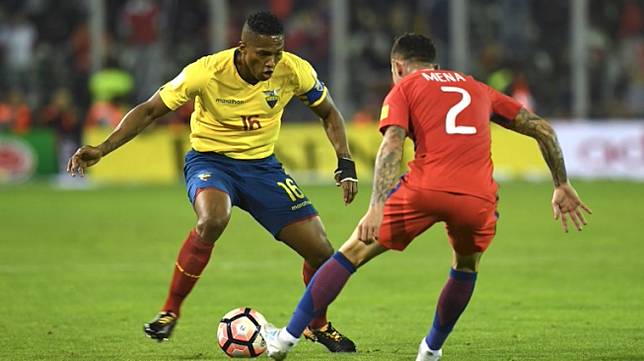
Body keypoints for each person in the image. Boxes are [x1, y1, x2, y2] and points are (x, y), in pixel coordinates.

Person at [261, 33, 592, 361]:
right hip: (477, 197)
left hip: (424, 189)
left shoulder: (405, 87)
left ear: (398, 66)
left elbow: (392, 144)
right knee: (466, 265)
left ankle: (285, 339)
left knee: (352, 253)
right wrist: (560, 183)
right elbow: (542, 128)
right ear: (434, 64)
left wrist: (376, 206)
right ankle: (431, 349)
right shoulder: (477, 87)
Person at [67, 11, 358, 353]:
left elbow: (330, 114)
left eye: (276, 54)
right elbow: (149, 110)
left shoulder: (294, 70)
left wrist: (345, 161)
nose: (271, 63)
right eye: (263, 54)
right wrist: (102, 148)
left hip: (263, 169)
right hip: (211, 162)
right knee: (213, 219)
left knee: (322, 252)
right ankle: (170, 311)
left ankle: (317, 325)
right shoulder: (206, 71)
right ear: (242, 47)